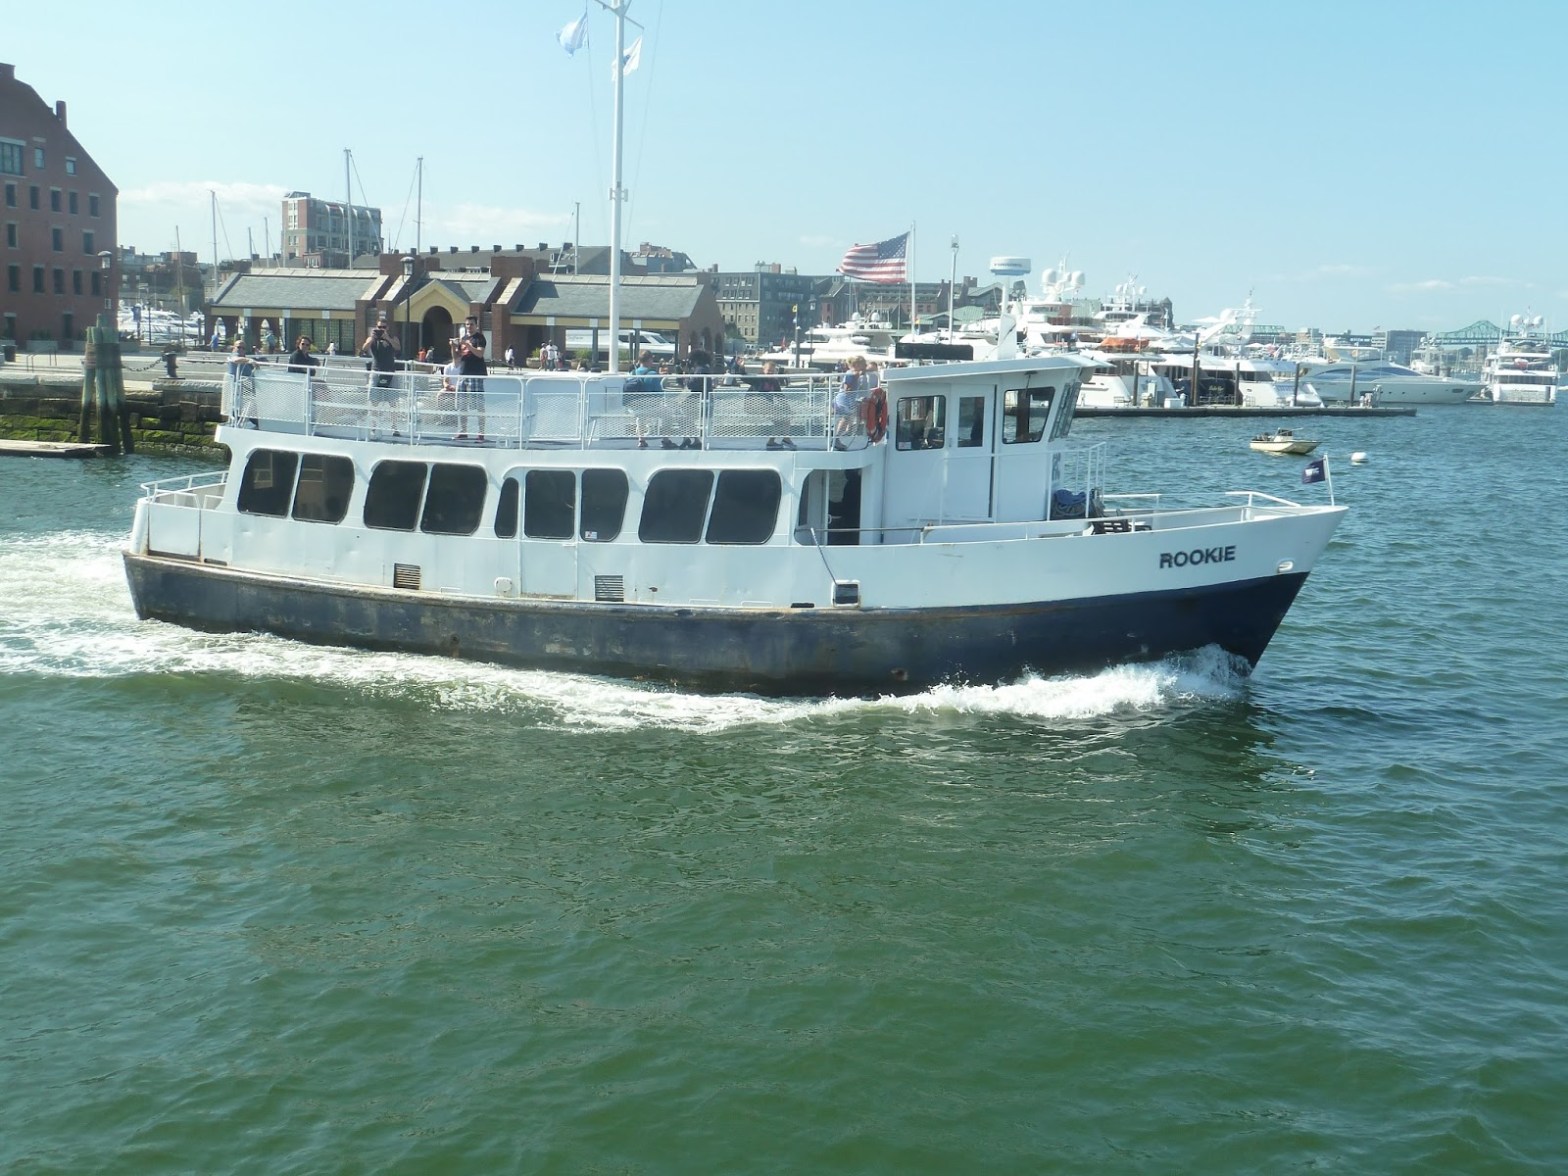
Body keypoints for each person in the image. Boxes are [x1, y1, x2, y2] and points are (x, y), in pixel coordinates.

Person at [360, 321, 402, 436]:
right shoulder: (372, 338)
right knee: (374, 401)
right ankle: (373, 426)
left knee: (393, 402)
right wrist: (372, 339)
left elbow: (398, 347)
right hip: (376, 371)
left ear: (387, 328)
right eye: (379, 327)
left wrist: (387, 338)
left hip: (390, 372)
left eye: (383, 327)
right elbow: (364, 348)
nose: (381, 329)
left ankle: (395, 427)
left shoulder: (392, 338)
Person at [750, 360, 793, 450]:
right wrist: (740, 368)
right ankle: (785, 439)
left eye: (772, 371)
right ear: (763, 369)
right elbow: (744, 378)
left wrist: (787, 408)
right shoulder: (758, 379)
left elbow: (779, 395)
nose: (770, 373)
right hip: (755, 404)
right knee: (781, 419)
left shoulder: (774, 381)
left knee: (785, 418)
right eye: (768, 370)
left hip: (767, 405)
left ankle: (775, 441)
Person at [455, 337, 488, 441]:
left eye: (471, 324)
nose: (469, 326)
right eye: (467, 324)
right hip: (463, 374)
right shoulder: (463, 339)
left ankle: (481, 432)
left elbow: (480, 354)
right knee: (462, 405)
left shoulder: (479, 338)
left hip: (476, 375)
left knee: (479, 405)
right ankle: (463, 431)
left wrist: (468, 345)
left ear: (475, 325)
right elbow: (456, 361)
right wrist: (453, 346)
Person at [226, 341, 257, 426]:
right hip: (238, 391)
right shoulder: (232, 357)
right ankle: (235, 425)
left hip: (249, 390)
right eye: (239, 347)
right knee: (237, 411)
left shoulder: (246, 361)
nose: (241, 350)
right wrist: (249, 360)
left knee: (252, 411)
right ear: (234, 348)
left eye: (243, 348)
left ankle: (259, 425)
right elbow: (235, 360)